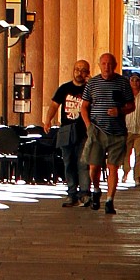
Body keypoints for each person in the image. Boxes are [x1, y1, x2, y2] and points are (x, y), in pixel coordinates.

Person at [82, 50, 135, 215]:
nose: (107, 67)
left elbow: (131, 105)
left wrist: (119, 111)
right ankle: (96, 190)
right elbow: (84, 106)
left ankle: (110, 200)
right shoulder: (92, 84)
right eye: (104, 64)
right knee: (94, 166)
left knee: (113, 167)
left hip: (117, 133)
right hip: (97, 131)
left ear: (115, 65)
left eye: (110, 64)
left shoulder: (123, 83)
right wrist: (88, 125)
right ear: (99, 66)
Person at [45, 57, 91, 206]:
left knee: (83, 163)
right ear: (73, 71)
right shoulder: (64, 88)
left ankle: (84, 193)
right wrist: (48, 120)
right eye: (77, 69)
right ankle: (71, 193)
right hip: (66, 130)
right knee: (68, 162)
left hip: (84, 131)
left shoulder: (89, 89)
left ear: (88, 73)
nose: (79, 73)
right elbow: (54, 105)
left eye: (83, 70)